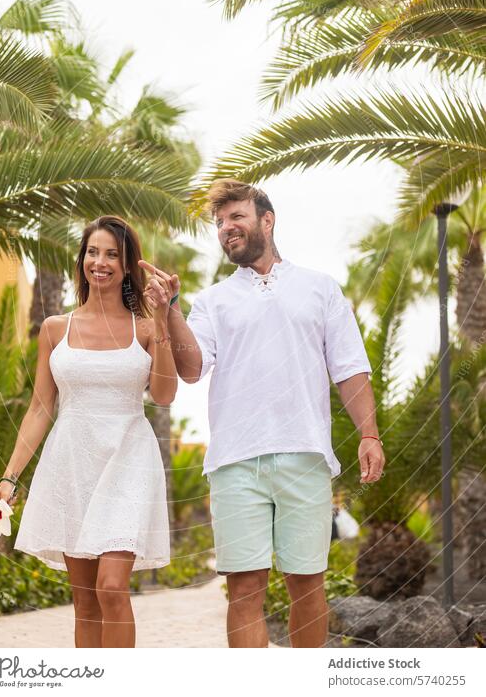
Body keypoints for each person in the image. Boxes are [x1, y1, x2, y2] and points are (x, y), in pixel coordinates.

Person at [140, 179, 385, 649]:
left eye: (237, 217)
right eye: (219, 222)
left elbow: (350, 369)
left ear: (266, 221)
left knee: (307, 584)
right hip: (235, 462)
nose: (226, 228)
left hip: (305, 456)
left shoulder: (321, 289)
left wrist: (369, 435)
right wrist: (170, 309)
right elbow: (191, 370)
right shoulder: (211, 300)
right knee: (244, 591)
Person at [0, 215, 177, 648]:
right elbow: (41, 408)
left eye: (112, 254)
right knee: (86, 602)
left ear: (129, 264)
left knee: (112, 587)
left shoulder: (146, 328)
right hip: (71, 463)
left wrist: (164, 319)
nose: (101, 262)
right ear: (81, 261)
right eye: (93, 252)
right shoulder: (56, 329)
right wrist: (9, 476)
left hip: (129, 457)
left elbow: (165, 395)